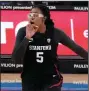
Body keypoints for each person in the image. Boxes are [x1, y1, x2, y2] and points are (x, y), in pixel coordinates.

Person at [12, 4, 88, 91]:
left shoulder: (55, 33)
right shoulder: (23, 32)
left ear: (44, 18)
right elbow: (16, 59)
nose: (31, 17)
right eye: (30, 15)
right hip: (29, 79)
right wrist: (27, 38)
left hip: (51, 79)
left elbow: (77, 48)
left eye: (35, 15)